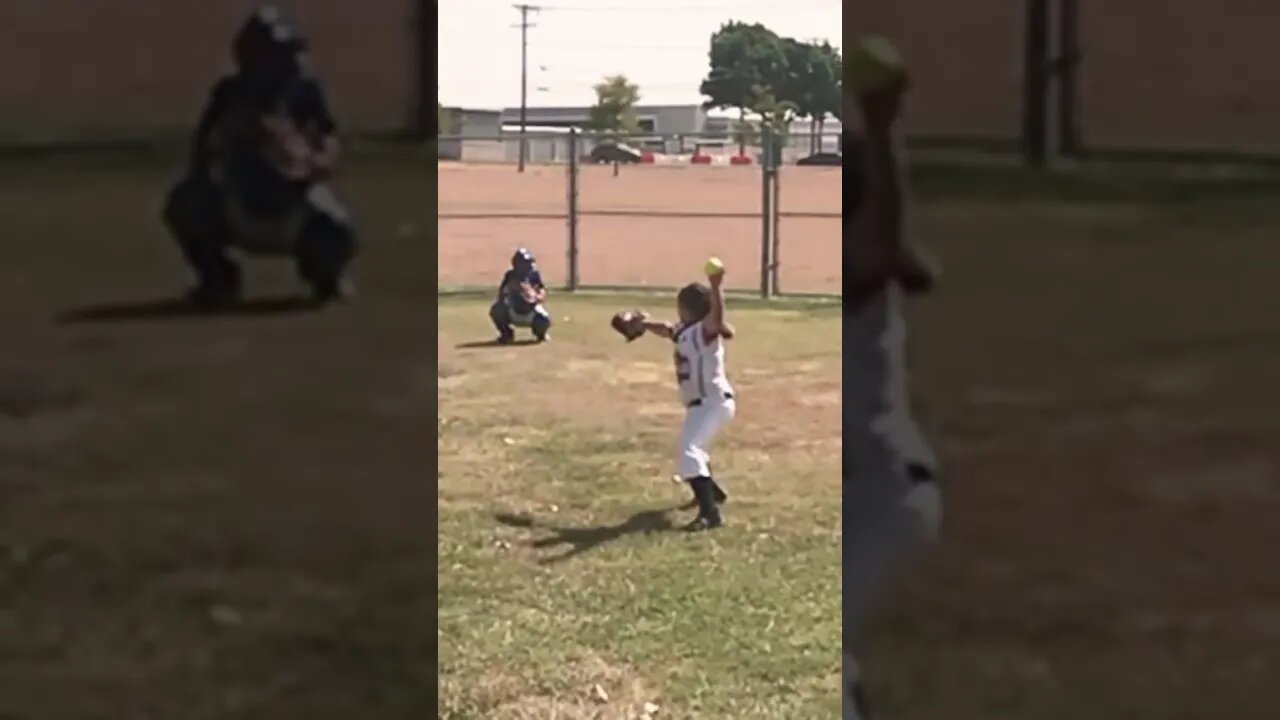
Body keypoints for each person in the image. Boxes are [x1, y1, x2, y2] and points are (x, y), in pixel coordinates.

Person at [843, 44, 942, 720]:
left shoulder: (859, 279)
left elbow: (886, 243)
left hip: (885, 494)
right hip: (862, 494)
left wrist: (881, 132)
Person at [162, 5, 356, 309]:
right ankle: (217, 280)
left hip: (296, 206)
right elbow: (200, 153)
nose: (290, 63)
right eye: (279, 55)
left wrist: (312, 161)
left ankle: (324, 279)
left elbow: (328, 139)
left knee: (335, 228)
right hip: (238, 205)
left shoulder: (305, 92)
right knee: (187, 202)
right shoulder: (229, 96)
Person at [634, 267, 736, 530]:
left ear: (687, 309)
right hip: (701, 404)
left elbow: (717, 318)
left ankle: (710, 514)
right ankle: (713, 493)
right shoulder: (686, 330)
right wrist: (644, 324)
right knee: (694, 448)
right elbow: (668, 329)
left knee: (690, 451)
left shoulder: (704, 330)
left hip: (713, 402)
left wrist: (716, 287)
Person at [490, 248, 552, 343]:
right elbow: (501, 294)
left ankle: (540, 334)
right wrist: (515, 291)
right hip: (513, 311)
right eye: (525, 263)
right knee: (497, 310)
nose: (528, 266)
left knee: (544, 319)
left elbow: (541, 290)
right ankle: (506, 334)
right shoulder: (510, 276)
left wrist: (537, 297)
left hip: (531, 312)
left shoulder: (534, 274)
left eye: (529, 263)